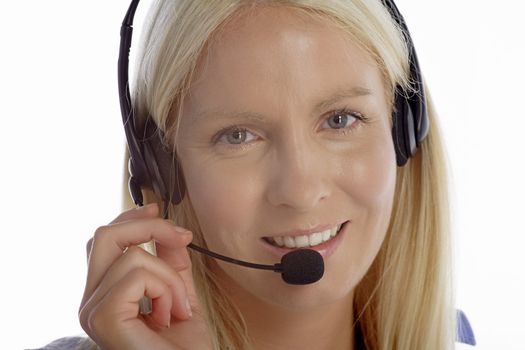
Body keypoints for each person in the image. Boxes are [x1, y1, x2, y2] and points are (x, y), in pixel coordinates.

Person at [36, 0, 476, 349]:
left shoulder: (454, 339)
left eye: (340, 119)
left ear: (404, 130)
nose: (301, 192)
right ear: (162, 166)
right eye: (239, 136)